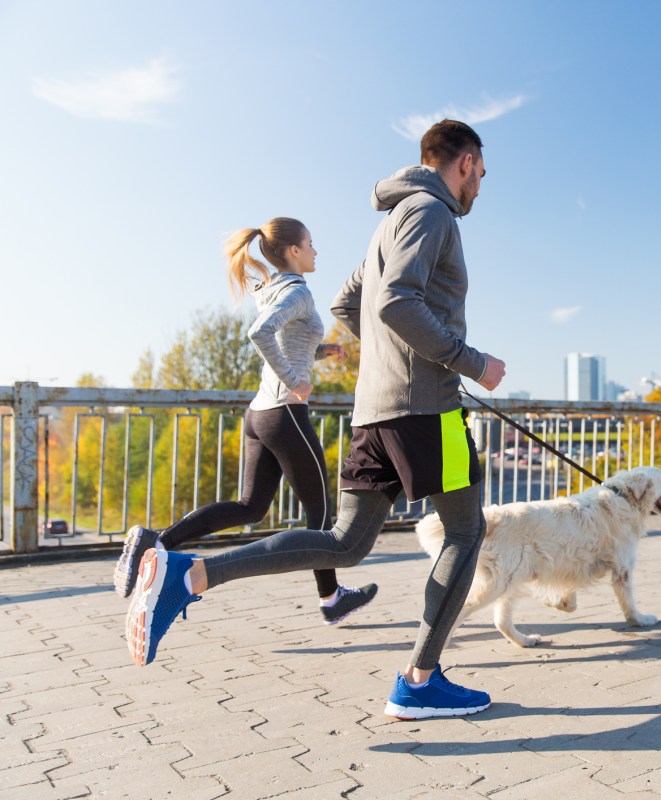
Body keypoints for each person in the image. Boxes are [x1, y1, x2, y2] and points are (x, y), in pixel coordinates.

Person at [125, 120, 506, 722]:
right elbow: (394, 303)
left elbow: (347, 304)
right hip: (426, 410)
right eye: (481, 174)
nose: (480, 187)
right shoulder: (433, 213)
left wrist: (390, 358)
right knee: (463, 533)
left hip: (375, 409)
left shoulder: (390, 222)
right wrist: (469, 363)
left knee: (345, 544)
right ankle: (419, 681)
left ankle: (189, 574)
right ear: (464, 162)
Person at [114, 217, 377, 626]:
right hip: (285, 412)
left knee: (251, 506)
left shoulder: (271, 287)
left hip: (260, 414)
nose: (315, 251)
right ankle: (331, 598)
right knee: (322, 513)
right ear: (293, 251)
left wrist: (321, 351)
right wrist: (295, 381)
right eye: (310, 244)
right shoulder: (297, 290)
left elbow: (286, 338)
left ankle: (156, 542)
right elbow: (262, 333)